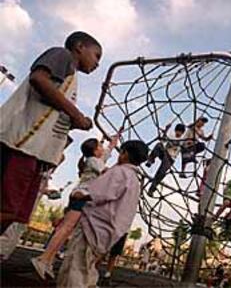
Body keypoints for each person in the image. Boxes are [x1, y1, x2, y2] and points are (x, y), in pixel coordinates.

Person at [0, 31, 101, 233]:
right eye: (96, 55)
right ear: (80, 47)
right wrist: (76, 114)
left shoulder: (70, 80)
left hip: (36, 151)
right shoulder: (62, 56)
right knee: (6, 207)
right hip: (22, 144)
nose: (97, 63)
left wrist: (75, 121)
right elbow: (39, 79)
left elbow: (51, 112)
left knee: (15, 211)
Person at [56, 140, 148, 288]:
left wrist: (82, 195)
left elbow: (101, 193)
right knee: (87, 266)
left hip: (95, 226)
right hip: (110, 231)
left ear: (125, 154)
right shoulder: (135, 181)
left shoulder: (119, 171)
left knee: (76, 265)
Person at [32, 135, 118, 280]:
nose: (102, 149)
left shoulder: (94, 160)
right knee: (65, 228)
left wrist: (113, 142)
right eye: (100, 146)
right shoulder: (93, 161)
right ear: (95, 151)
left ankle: (48, 260)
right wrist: (121, 166)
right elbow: (105, 172)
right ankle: (43, 259)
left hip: (81, 196)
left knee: (66, 230)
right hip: (81, 196)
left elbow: (106, 154)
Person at [146, 123, 186, 196]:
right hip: (165, 153)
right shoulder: (171, 134)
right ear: (175, 130)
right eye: (177, 131)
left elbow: (182, 145)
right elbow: (163, 140)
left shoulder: (183, 140)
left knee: (161, 172)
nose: (178, 133)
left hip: (171, 159)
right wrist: (166, 129)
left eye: (180, 132)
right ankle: (151, 160)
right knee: (158, 145)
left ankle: (151, 189)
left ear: (182, 133)